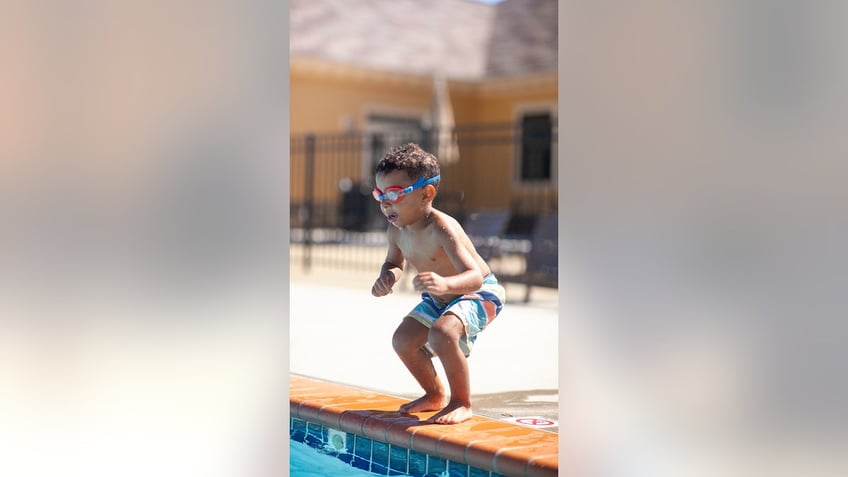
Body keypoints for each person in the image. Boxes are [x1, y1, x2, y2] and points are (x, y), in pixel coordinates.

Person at [370, 143, 506, 425]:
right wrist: (387, 277)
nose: (385, 202)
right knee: (403, 341)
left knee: (443, 334)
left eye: (394, 194)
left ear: (426, 194)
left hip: (479, 292)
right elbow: (395, 263)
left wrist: (445, 284)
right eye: (379, 194)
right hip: (442, 295)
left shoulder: (442, 227)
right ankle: (434, 394)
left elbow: (474, 276)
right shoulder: (396, 230)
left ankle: (461, 402)